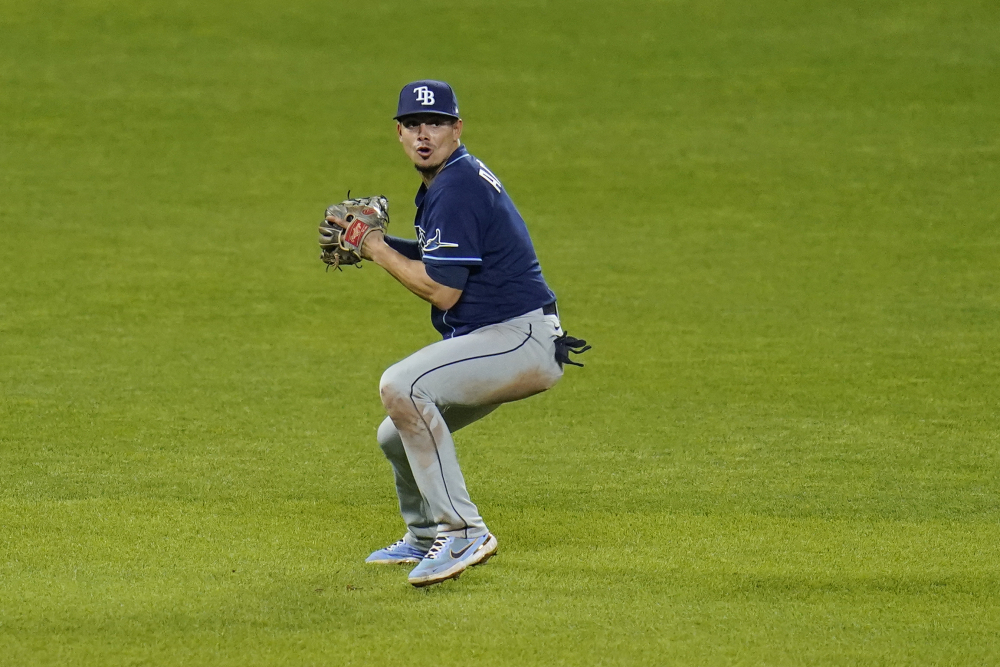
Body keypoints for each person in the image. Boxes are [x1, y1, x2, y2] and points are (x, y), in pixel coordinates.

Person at [326, 80, 588, 587]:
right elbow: (450, 261)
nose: (425, 135)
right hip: (510, 338)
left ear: (457, 128)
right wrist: (374, 244)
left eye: (438, 124)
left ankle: (464, 530)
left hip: (519, 339)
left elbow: (443, 291)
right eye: (413, 125)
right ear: (399, 133)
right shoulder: (450, 181)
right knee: (395, 434)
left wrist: (375, 247)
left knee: (401, 386)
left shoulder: (456, 186)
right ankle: (425, 536)